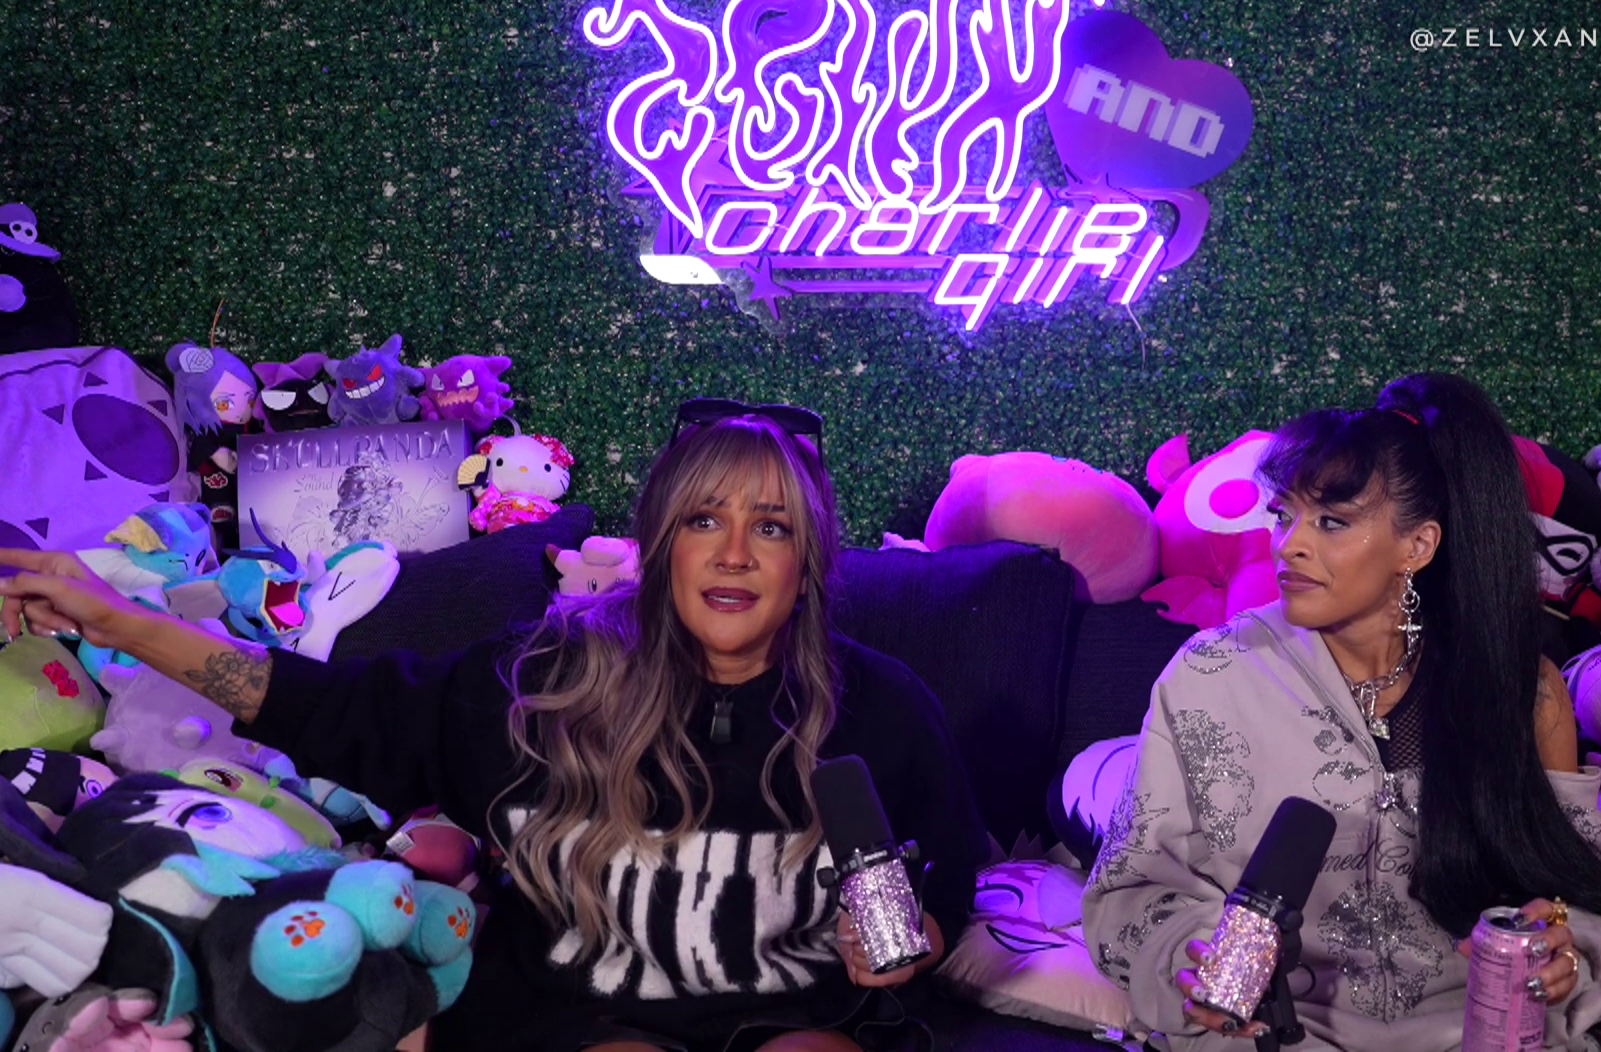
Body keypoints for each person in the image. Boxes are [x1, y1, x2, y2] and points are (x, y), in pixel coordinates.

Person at [0, 400, 991, 1052]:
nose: (735, 553)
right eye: (704, 520)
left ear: (807, 560)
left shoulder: (882, 710)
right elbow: (314, 705)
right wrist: (121, 621)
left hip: (798, 1013)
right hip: (580, 1014)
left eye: (770, 527)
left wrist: (911, 941)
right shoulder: (538, 683)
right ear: (659, 543)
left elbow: (940, 895)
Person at [1081, 373, 1601, 1051]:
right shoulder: (1210, 675)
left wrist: (1562, 946)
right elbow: (1133, 890)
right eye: (1284, 515)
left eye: (1331, 522)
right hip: (1276, 1031)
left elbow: (1583, 889)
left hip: (1477, 1029)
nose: (1288, 544)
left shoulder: (1520, 689)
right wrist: (1194, 959)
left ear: (1417, 546)